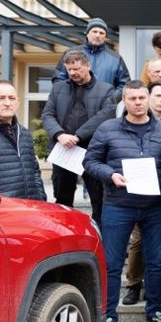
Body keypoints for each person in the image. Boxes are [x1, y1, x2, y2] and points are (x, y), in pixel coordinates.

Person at [84, 81, 161, 322]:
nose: (137, 102)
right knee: (112, 263)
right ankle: (109, 317)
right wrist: (110, 174)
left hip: (154, 207)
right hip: (118, 205)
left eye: (141, 98)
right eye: (132, 98)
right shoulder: (107, 129)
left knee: (156, 262)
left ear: (148, 99)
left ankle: (154, 313)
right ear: (124, 101)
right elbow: (90, 161)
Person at [122, 81, 161, 305]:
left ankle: (154, 287)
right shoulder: (133, 122)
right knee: (138, 242)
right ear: (149, 98)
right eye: (157, 95)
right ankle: (133, 285)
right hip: (140, 193)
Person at [42, 49, 118, 225]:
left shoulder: (106, 89)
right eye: (69, 69)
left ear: (88, 66)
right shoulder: (58, 88)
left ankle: (99, 236)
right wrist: (60, 135)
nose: (73, 73)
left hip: (93, 152)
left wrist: (77, 136)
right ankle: (65, 235)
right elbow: (47, 114)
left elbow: (105, 116)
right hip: (64, 150)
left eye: (77, 69)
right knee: (62, 198)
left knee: (98, 198)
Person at [54, 17, 130, 90]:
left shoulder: (116, 59)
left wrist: (110, 100)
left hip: (104, 103)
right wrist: (69, 97)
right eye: (94, 31)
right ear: (87, 34)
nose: (98, 35)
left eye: (101, 33)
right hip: (74, 102)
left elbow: (125, 84)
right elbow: (59, 79)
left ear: (105, 37)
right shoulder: (70, 54)